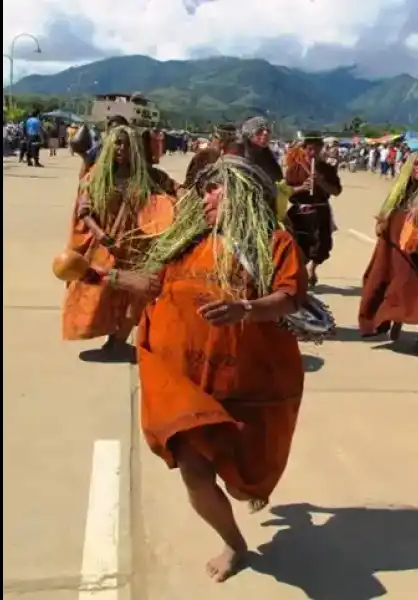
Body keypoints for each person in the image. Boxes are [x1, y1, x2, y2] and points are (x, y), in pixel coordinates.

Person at [104, 155, 306, 582]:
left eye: (218, 188)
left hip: (251, 384)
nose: (206, 196)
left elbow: (289, 298)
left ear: (245, 195)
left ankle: (244, 492)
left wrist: (245, 309)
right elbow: (153, 284)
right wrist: (108, 277)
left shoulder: (275, 244)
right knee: (196, 475)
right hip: (186, 384)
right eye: (206, 189)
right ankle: (234, 543)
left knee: (242, 482)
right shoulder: (186, 241)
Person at [61, 125, 177, 356]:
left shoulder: (148, 177)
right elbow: (84, 210)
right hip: (106, 247)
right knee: (99, 293)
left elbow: (172, 196)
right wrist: (101, 235)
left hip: (137, 248)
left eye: (126, 144)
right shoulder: (95, 176)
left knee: (135, 297)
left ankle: (118, 341)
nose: (122, 148)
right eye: (118, 143)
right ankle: (107, 337)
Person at [358, 150, 418, 351]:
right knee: (396, 287)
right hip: (397, 250)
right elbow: (388, 211)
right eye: (416, 164)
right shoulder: (402, 188)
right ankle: (396, 322)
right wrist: (383, 221)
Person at [284, 132, 342, 286]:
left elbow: (336, 191)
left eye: (316, 149)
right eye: (309, 149)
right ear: (303, 149)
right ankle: (300, 272)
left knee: (323, 245)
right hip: (300, 212)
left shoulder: (327, 169)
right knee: (298, 244)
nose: (313, 153)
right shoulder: (293, 169)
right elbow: (285, 192)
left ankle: (312, 268)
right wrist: (301, 188)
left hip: (320, 211)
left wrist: (321, 182)